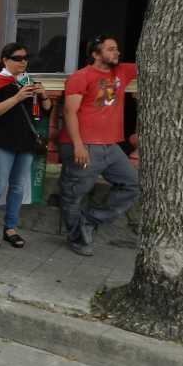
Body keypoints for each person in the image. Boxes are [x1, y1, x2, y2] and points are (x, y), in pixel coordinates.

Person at [59, 37, 139, 256]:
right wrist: (78, 145)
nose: (117, 53)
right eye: (110, 49)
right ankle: (77, 238)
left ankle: (89, 220)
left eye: (117, 49)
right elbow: (69, 112)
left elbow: (154, 62)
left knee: (132, 184)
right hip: (83, 145)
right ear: (95, 54)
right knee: (74, 194)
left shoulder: (122, 72)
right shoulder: (81, 77)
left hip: (111, 146)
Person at [0, 43, 52, 249]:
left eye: (25, 58)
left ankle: (10, 228)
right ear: (5, 60)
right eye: (17, 58)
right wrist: (18, 97)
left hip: (25, 142)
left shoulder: (27, 81)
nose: (23, 62)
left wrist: (43, 94)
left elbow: (46, 110)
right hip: (2, 141)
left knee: (18, 186)